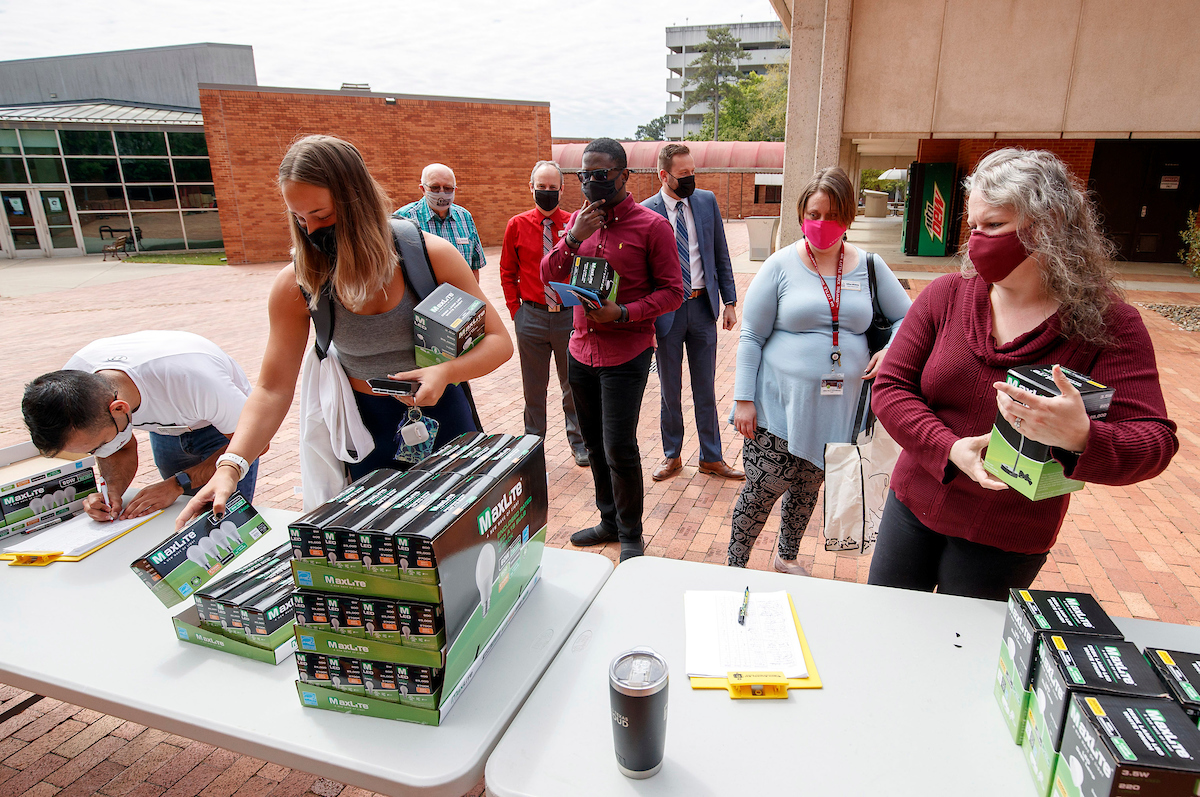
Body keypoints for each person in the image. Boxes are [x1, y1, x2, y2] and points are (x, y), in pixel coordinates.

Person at [868, 148, 1178, 600]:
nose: (976, 241)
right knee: (885, 628)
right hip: (914, 504)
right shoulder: (946, 296)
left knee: (963, 651)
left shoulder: (1107, 324)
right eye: (972, 226)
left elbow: (1154, 442)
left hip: (1005, 536)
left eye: (993, 226)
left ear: (1049, 226)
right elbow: (891, 388)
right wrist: (949, 448)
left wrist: (1082, 436)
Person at [176, 135, 512, 526]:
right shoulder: (299, 283)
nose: (311, 229)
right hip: (366, 428)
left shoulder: (430, 256)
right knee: (387, 545)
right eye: (299, 218)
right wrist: (231, 466)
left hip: (445, 416)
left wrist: (447, 372)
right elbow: (271, 388)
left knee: (465, 533)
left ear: (357, 201)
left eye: (322, 214)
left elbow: (498, 341)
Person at [729, 167, 910, 574]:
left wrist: (892, 350)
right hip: (777, 408)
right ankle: (733, 564)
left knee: (809, 484)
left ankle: (786, 557)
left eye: (831, 214)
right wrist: (743, 400)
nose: (821, 224)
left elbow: (909, 320)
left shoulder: (870, 266)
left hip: (837, 409)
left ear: (848, 217)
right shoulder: (779, 265)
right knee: (760, 491)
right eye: (813, 213)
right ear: (800, 215)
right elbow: (752, 336)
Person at [542, 138, 683, 561]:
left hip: (627, 353)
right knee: (592, 441)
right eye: (584, 175)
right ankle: (607, 519)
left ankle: (630, 533)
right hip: (581, 349)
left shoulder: (652, 227)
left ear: (624, 175)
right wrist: (571, 240)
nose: (590, 182)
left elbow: (674, 293)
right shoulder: (578, 224)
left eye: (600, 175)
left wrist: (622, 313)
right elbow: (547, 276)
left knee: (619, 445)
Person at [22, 331, 258, 521]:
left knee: (225, 521)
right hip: (167, 426)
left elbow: (255, 442)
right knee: (183, 516)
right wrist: (112, 491)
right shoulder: (74, 383)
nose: (101, 452)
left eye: (101, 444)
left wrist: (177, 484)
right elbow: (118, 448)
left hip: (225, 429)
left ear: (120, 408)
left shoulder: (196, 381)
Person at [642, 143, 743, 483]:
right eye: (683, 174)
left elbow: (721, 253)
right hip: (666, 313)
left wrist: (729, 302)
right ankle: (672, 455)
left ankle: (711, 457)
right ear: (664, 175)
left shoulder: (705, 201)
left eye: (692, 172)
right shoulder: (647, 212)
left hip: (702, 308)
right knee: (670, 390)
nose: (690, 179)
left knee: (705, 388)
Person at [499, 160, 588, 467]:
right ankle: (532, 444)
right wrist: (516, 312)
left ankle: (579, 443)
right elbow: (507, 271)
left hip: (568, 316)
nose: (547, 192)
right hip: (532, 317)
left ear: (562, 188)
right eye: (542, 187)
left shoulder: (575, 223)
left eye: (553, 187)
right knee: (534, 389)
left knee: (572, 386)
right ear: (531, 187)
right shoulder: (517, 225)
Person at [393, 163, 487, 282]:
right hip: (423, 299)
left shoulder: (464, 217)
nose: (441, 193)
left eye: (448, 188)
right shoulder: (403, 219)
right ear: (423, 189)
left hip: (460, 297)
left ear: (455, 189)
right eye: (435, 187)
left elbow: (474, 266)